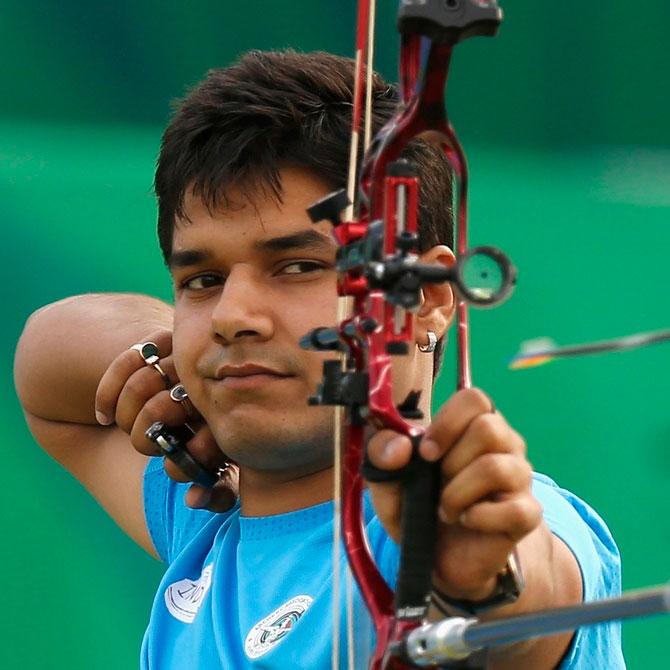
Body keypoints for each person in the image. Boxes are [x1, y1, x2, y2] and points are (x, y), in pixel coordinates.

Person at [14, 50, 623, 669]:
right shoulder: (206, 515)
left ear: (429, 299)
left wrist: (473, 585)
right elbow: (45, 351)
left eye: (299, 266)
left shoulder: (484, 519)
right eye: (203, 278)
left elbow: (523, 606)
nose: (231, 314)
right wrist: (177, 372)